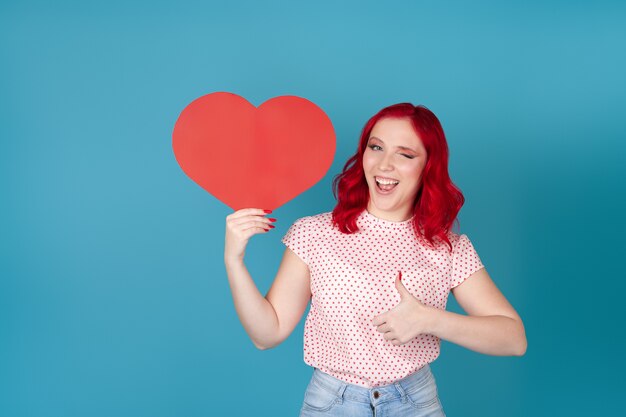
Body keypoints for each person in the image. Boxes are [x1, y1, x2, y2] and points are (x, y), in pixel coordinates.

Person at [224, 103, 527, 416]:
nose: (385, 164)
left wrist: (429, 319)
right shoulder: (313, 233)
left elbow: (513, 339)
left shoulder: (448, 248)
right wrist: (234, 261)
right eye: (376, 147)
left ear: (428, 166)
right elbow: (266, 334)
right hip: (333, 404)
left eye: (405, 154)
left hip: (415, 403)